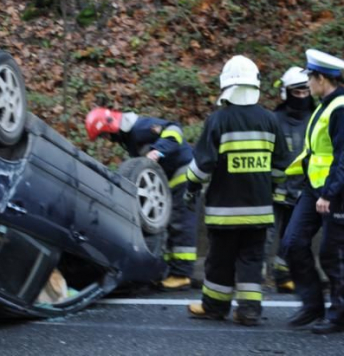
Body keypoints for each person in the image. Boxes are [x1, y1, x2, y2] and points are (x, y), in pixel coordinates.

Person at [185, 55, 287, 326]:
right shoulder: (270, 120)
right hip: (260, 211)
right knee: (252, 260)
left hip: (224, 212)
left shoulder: (218, 121)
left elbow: (202, 165)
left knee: (220, 260)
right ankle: (249, 310)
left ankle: (214, 308)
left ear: (226, 87)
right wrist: (270, 188)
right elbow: (281, 167)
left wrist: (191, 187)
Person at [281, 49, 344, 334]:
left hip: (336, 191)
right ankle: (312, 305)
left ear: (321, 78)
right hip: (313, 188)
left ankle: (339, 316)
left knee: (335, 254)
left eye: (309, 78)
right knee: (291, 243)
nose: (307, 84)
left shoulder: (341, 109)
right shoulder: (325, 105)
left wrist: (329, 193)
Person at [85, 108, 197, 291]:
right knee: (167, 225)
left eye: (104, 135)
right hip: (167, 180)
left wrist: (157, 152)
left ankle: (182, 275)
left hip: (182, 173)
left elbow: (174, 129)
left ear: (110, 126)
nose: (106, 140)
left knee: (181, 222)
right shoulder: (128, 139)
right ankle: (171, 272)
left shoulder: (139, 127)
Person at [270, 67, 315, 293]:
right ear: (286, 93)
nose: (301, 97)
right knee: (267, 236)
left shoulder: (317, 118)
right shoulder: (274, 119)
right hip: (274, 190)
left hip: (305, 190)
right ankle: (254, 278)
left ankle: (285, 275)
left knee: (294, 237)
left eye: (305, 92)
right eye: (296, 93)